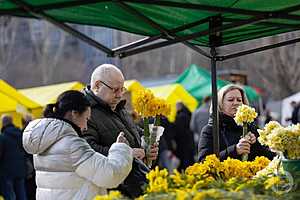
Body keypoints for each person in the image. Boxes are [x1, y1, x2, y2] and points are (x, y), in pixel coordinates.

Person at [22, 90, 133, 199]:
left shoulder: (44, 140)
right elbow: (110, 175)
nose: (85, 127)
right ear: (74, 113)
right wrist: (120, 148)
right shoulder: (72, 145)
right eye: (86, 119)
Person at [82, 64, 158, 197]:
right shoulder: (85, 112)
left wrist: (148, 150)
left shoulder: (120, 108)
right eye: (115, 90)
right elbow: (87, 152)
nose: (119, 95)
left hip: (136, 185)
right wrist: (126, 154)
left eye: (122, 89)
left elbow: (136, 134)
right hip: (113, 193)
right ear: (98, 85)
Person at [198, 84, 275, 162]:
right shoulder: (210, 130)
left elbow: (270, 158)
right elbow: (203, 162)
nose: (236, 103)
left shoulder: (251, 127)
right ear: (220, 104)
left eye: (239, 100)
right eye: (230, 100)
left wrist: (255, 144)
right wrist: (235, 150)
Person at [0, 115, 28, 200]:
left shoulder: (2, 137)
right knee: (22, 195)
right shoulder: (21, 134)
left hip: (7, 172)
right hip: (21, 170)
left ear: (3, 123)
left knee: (10, 196)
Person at [173, 102, 195, 171]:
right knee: (189, 158)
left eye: (176, 106)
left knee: (184, 159)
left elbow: (178, 130)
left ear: (179, 106)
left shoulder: (180, 116)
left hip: (182, 142)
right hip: (189, 140)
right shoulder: (188, 114)